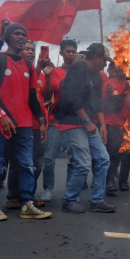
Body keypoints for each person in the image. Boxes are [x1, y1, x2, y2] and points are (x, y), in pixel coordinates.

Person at [0, 23, 51, 221]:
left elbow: (32, 96)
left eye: (24, 34)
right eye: (17, 34)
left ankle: (27, 204)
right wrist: (1, 114)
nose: (21, 37)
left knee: (27, 165)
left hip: (25, 125)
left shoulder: (29, 65)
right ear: (7, 37)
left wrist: (41, 120)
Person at [54, 43, 115, 214]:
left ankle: (97, 200)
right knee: (83, 163)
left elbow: (97, 102)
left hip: (88, 123)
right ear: (95, 57)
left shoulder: (96, 75)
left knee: (103, 158)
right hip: (72, 122)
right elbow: (72, 96)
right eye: (105, 60)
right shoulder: (78, 69)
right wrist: (87, 121)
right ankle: (69, 200)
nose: (106, 64)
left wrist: (102, 124)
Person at [5, 41, 53, 208]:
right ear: (19, 50)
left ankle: (29, 196)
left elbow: (47, 96)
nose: (31, 52)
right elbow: (26, 90)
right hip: (21, 124)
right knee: (17, 162)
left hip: (39, 124)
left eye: (33, 49)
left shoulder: (40, 73)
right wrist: (38, 68)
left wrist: (47, 76)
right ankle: (13, 196)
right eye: (27, 49)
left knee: (37, 163)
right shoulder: (17, 71)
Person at [42, 39, 77, 202]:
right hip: (56, 120)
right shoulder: (55, 72)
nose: (71, 54)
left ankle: (71, 192)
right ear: (61, 53)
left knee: (73, 159)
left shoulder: (81, 71)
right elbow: (55, 90)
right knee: (49, 158)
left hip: (74, 121)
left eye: (73, 52)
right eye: (68, 51)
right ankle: (48, 189)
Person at [102, 62, 130, 195]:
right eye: (119, 66)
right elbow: (102, 103)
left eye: (124, 66)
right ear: (115, 68)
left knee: (127, 154)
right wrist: (108, 94)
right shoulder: (109, 83)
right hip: (112, 123)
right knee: (114, 152)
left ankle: (123, 181)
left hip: (128, 125)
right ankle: (109, 181)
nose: (122, 69)